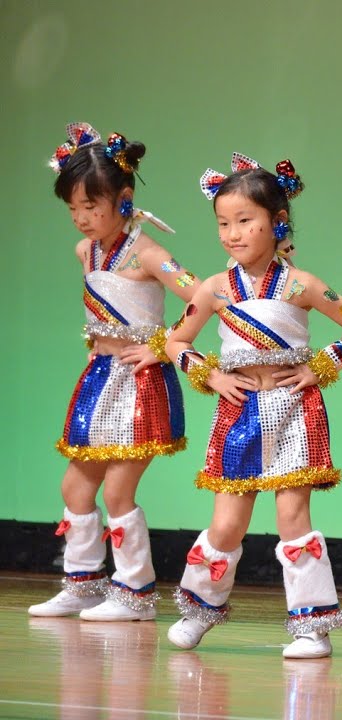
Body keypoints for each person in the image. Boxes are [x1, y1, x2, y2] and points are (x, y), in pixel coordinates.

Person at [165, 154, 342, 658]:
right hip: (238, 413)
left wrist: (319, 368)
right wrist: (211, 375)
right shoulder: (213, 289)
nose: (232, 234)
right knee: (226, 525)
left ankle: (310, 625)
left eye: (245, 221)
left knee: (292, 519)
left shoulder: (302, 284)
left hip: (293, 411)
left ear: (276, 222)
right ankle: (198, 611)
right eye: (223, 223)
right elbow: (175, 342)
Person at [30, 123, 194, 622]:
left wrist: (165, 346)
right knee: (75, 488)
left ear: (123, 200)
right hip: (100, 379)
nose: (81, 219)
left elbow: (202, 295)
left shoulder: (149, 253)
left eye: (91, 208)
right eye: (74, 209)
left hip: (138, 383)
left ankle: (135, 592)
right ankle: (82, 583)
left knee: (119, 491)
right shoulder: (87, 252)